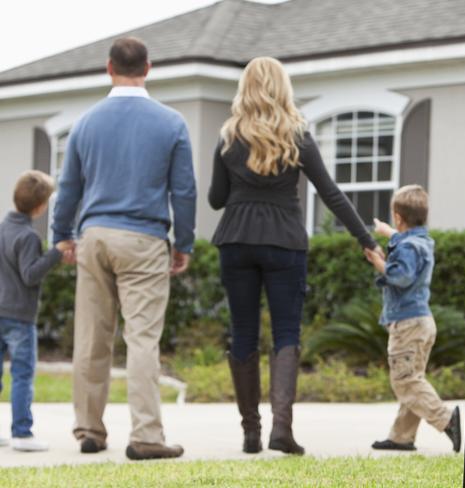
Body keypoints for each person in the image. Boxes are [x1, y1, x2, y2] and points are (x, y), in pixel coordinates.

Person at [208, 57, 381, 455]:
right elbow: (330, 192)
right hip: (284, 241)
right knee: (287, 332)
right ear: (283, 88)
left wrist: (241, 186)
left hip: (235, 239)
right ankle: (280, 430)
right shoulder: (297, 136)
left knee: (243, 331)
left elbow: (216, 200)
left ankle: (250, 433)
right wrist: (366, 241)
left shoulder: (228, 137)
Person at [51, 37, 197, 460]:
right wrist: (183, 242)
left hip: (94, 236)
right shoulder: (171, 123)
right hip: (144, 238)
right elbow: (184, 190)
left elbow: (67, 189)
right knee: (142, 339)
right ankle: (147, 435)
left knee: (92, 339)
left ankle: (90, 431)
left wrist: (62, 234)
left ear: (108, 68)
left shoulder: (86, 122)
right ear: (147, 68)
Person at [364, 185, 462, 453]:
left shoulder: (407, 247)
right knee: (413, 377)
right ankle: (401, 437)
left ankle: (446, 420)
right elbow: (407, 243)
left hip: (407, 323)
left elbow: (401, 276)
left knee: (405, 381)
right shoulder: (422, 241)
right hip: (421, 322)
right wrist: (389, 233)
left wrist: (379, 262)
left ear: (398, 216)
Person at [0, 171, 74, 452]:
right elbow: (30, 275)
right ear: (41, 207)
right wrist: (55, 252)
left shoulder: (2, 227)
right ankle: (22, 433)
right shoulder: (28, 236)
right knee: (21, 375)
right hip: (19, 316)